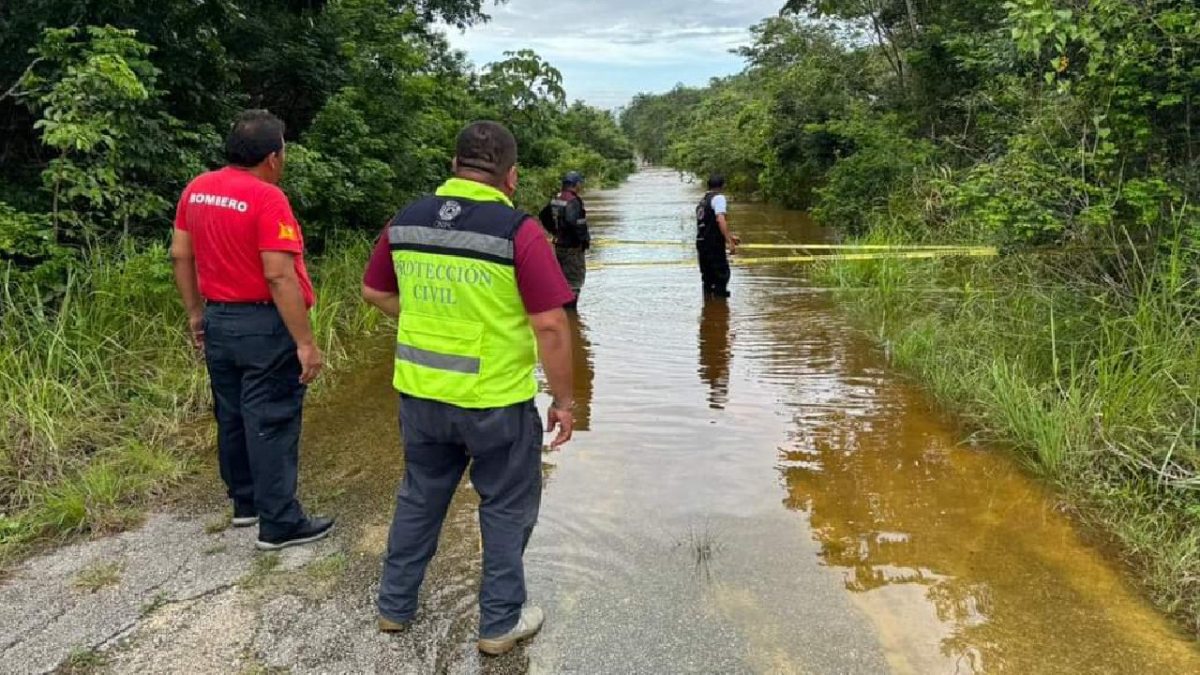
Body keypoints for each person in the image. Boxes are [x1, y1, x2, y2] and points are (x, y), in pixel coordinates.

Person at [361, 121, 577, 656]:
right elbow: (551, 325)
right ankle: (500, 624)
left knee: (420, 495)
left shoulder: (406, 219)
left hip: (421, 394)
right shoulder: (518, 230)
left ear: (454, 165)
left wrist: (432, 322)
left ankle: (394, 608)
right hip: (495, 403)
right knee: (505, 506)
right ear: (511, 175)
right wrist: (565, 400)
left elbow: (374, 291)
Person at [171, 109, 334, 551]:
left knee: (233, 414)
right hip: (264, 324)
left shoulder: (197, 189)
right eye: (283, 148)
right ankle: (279, 523)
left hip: (220, 319)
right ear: (272, 156)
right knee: (272, 418)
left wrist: (195, 312)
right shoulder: (267, 198)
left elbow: (180, 255)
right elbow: (279, 275)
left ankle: (245, 504)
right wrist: (305, 342)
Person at [538, 171, 590, 309]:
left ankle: (564, 313)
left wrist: (555, 232)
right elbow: (574, 222)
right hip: (572, 248)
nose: (581, 186)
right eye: (580, 183)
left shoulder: (557, 198)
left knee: (561, 281)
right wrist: (583, 241)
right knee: (574, 283)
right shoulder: (573, 201)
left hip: (559, 247)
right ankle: (571, 316)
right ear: (575, 184)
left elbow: (543, 215)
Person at [695, 174, 739, 298]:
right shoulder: (719, 198)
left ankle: (709, 311)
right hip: (713, 245)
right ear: (722, 186)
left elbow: (710, 224)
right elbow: (720, 219)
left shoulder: (703, 201)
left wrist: (730, 236)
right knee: (721, 276)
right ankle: (720, 312)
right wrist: (729, 242)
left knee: (707, 279)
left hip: (701, 243)